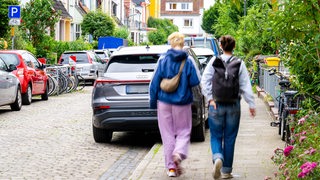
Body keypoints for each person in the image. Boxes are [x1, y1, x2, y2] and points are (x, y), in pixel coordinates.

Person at [201, 35, 256, 179]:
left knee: (216, 135)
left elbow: (204, 81)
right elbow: (245, 85)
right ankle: (226, 171)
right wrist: (251, 104)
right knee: (230, 137)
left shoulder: (214, 61)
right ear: (234, 47)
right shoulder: (240, 63)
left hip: (216, 104)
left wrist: (210, 99)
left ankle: (218, 157)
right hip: (233, 105)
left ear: (220, 46)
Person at [149, 32, 200, 177]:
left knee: (167, 135)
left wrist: (153, 102)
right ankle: (179, 153)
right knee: (183, 130)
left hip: (164, 102)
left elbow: (154, 84)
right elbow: (195, 82)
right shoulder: (188, 61)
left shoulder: (163, 60)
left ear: (170, 43)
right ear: (183, 44)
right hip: (182, 102)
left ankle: (171, 168)